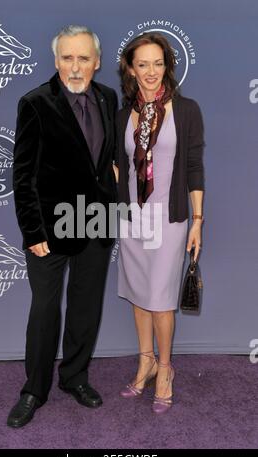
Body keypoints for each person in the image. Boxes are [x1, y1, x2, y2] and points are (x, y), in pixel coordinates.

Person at [7, 25, 118, 428]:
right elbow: (22, 176)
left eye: (84, 58)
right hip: (50, 229)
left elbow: (103, 160)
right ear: (56, 61)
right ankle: (34, 389)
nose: (76, 66)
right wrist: (33, 231)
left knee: (86, 308)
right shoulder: (34, 102)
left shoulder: (108, 97)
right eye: (68, 58)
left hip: (98, 222)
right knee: (44, 311)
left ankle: (75, 377)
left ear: (97, 61)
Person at [115, 32, 205, 414]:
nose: (151, 72)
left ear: (167, 65)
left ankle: (166, 368)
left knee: (161, 299)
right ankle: (145, 360)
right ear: (131, 70)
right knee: (139, 294)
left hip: (169, 219)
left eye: (158, 63)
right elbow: (116, 163)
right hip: (132, 219)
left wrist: (198, 220)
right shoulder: (122, 114)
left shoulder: (186, 110)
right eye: (142, 64)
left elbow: (194, 167)